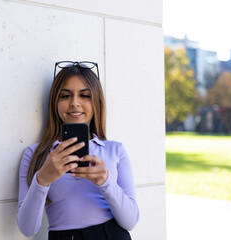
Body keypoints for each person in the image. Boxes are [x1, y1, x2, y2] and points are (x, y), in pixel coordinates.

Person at [17, 61, 139, 240]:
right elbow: (27, 229)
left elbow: (131, 221)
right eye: (65, 96)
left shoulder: (115, 150)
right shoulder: (36, 154)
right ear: (54, 102)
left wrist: (105, 181)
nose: (75, 103)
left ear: (96, 102)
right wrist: (42, 179)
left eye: (84, 95)